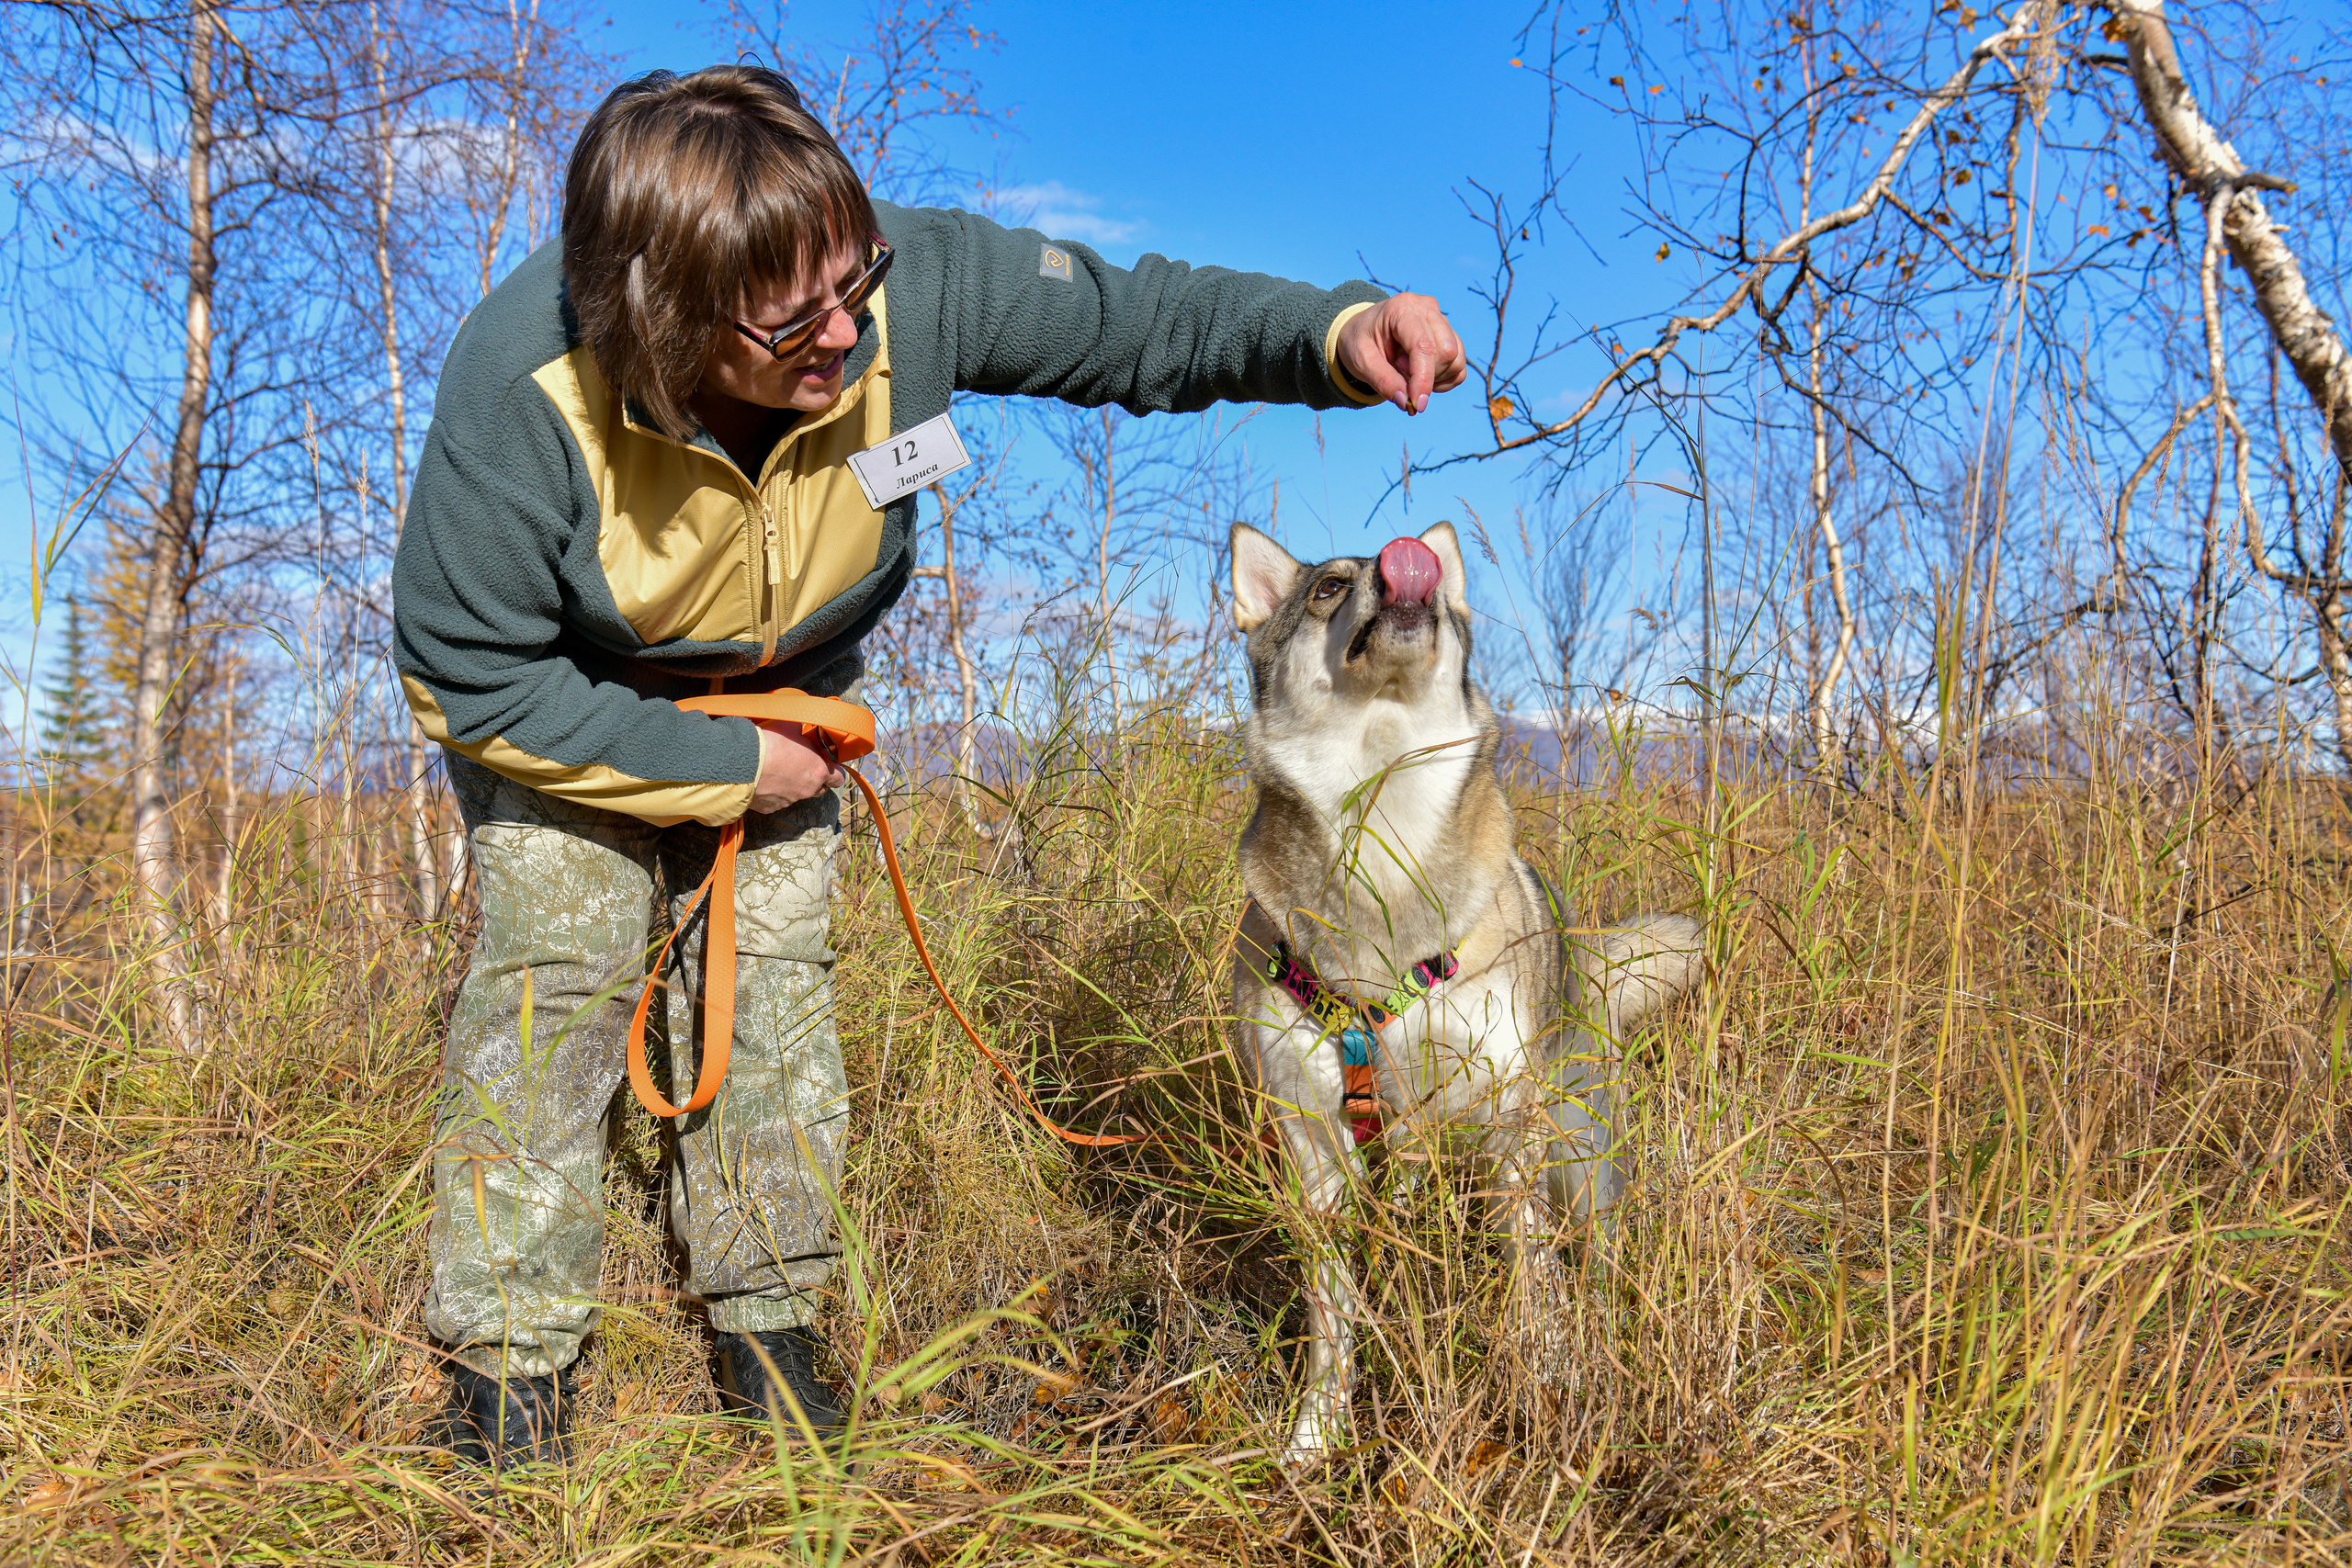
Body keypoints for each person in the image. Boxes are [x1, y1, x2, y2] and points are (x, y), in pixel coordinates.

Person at [392, 63, 1468, 1468]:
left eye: (859, 280)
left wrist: (1334, 333)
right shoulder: (521, 388)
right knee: (558, 971)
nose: (849, 329)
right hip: (575, 702)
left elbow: (1143, 320)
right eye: (793, 319)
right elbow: (468, 672)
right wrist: (712, 766)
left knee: (770, 991)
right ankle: (508, 1381)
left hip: (790, 691)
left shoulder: (902, 289)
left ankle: (771, 1337)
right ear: (662, 318)